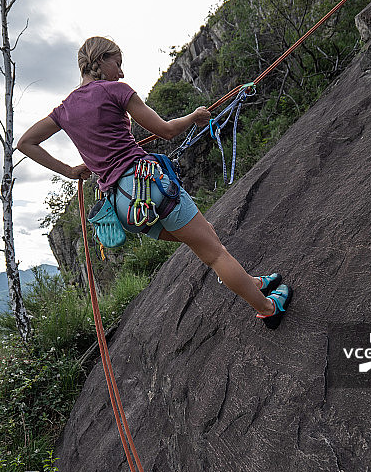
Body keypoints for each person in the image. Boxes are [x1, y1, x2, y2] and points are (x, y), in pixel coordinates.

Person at [17, 36, 291, 328]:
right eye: (117, 64)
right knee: (214, 253)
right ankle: (267, 308)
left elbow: (26, 142)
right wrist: (194, 117)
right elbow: (166, 130)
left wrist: (72, 171)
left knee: (204, 237)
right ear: (99, 61)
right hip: (149, 188)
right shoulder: (116, 91)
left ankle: (250, 282)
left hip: (126, 209)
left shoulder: (64, 109)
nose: (121, 72)